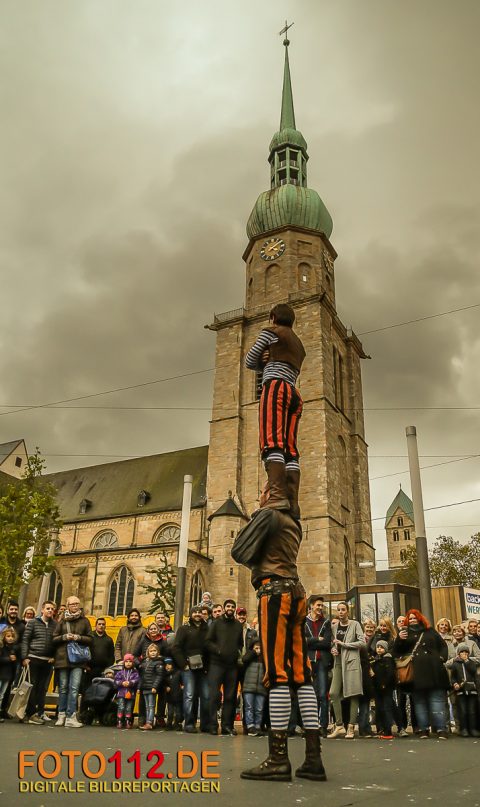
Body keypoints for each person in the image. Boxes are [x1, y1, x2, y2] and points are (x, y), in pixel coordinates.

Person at [240, 499, 326, 783]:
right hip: (297, 591)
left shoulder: (269, 515)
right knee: (301, 675)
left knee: (276, 672)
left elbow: (239, 550)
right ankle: (314, 759)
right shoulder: (294, 521)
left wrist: (255, 521)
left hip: (274, 591)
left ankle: (278, 758)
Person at [245, 303, 305, 517]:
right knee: (290, 448)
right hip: (294, 394)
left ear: (272, 317)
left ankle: (277, 496)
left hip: (275, 388)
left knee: (272, 443)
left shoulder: (270, 333)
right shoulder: (299, 345)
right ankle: (293, 503)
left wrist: (264, 363)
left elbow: (249, 360)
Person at [392, 608, 449, 739]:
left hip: (435, 672)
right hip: (416, 674)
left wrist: (441, 658)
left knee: (437, 701)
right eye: (410, 618)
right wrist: (399, 640)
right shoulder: (404, 633)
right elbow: (396, 653)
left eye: (414, 618)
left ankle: (441, 729)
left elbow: (443, 646)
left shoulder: (431, 631)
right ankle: (423, 729)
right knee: (420, 703)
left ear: (420, 618)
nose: (412, 620)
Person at [52, 595, 92, 728]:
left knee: (74, 689)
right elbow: (54, 639)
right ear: (67, 606)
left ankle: (71, 715)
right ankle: (61, 714)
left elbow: (90, 639)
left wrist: (78, 637)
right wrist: (64, 636)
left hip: (78, 660)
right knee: (63, 688)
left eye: (77, 604)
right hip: (63, 659)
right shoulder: (62, 622)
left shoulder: (85, 621)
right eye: (73, 604)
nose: (75, 606)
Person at [206, 599, 243, 736]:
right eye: (228, 606)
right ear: (224, 608)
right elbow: (208, 642)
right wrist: (218, 650)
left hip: (231, 666)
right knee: (214, 695)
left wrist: (235, 652)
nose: (230, 608)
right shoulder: (216, 624)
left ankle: (227, 726)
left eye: (232, 606)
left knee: (230, 697)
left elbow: (240, 644)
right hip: (216, 664)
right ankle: (213, 725)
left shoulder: (238, 625)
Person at [328, 602, 365, 739]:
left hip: (351, 661)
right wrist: (333, 648)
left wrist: (345, 645)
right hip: (338, 662)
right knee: (333, 692)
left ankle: (351, 726)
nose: (341, 612)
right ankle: (339, 725)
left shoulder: (354, 624)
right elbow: (333, 642)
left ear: (348, 611)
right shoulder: (334, 627)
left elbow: (362, 642)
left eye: (343, 609)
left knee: (353, 693)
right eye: (338, 610)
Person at [172, 605, 210, 733]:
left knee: (205, 696)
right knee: (189, 695)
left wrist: (208, 666)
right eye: (195, 612)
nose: (197, 614)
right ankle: (189, 723)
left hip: (204, 667)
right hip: (188, 667)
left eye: (200, 612)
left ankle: (205, 724)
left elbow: (210, 649)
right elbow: (176, 648)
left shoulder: (208, 629)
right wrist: (184, 664)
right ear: (190, 614)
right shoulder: (184, 629)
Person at [21, 601, 56, 725]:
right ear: (42, 610)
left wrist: (54, 656)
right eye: (48, 608)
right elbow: (25, 640)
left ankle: (39, 712)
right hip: (33, 658)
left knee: (42, 688)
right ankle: (30, 714)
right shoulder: (33, 623)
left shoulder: (55, 625)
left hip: (47, 660)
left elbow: (56, 642)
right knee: (32, 687)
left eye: (52, 609)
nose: (50, 610)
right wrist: (24, 657)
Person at [304, 596, 332, 737]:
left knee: (322, 694)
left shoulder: (326, 623)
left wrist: (311, 642)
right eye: (318, 605)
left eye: (322, 605)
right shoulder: (303, 622)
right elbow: (302, 641)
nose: (320, 608)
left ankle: (323, 726)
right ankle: (311, 726)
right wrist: (315, 639)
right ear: (311, 606)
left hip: (322, 662)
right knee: (310, 695)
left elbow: (327, 643)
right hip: (309, 662)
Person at [449, 643, 480, 737]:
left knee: (472, 711)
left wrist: (467, 661)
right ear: (458, 653)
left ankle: (473, 729)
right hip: (461, 691)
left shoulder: (471, 663)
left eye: (466, 652)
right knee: (462, 711)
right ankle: (464, 729)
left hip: (472, 690)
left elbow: (473, 671)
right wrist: (455, 684)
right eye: (462, 652)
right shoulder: (455, 664)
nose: (464, 653)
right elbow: (453, 676)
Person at [371, 640, 397, 739]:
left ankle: (387, 730)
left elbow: (390, 674)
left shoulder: (388, 659)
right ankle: (381, 728)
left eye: (381, 647)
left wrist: (384, 683)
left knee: (387, 708)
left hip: (386, 688)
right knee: (379, 708)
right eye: (378, 647)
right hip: (378, 688)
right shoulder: (376, 660)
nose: (379, 649)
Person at [242, 636, 267, 736]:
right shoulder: (249, 655)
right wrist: (253, 653)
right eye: (256, 647)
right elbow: (244, 659)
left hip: (261, 687)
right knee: (249, 707)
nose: (258, 649)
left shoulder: (265, 658)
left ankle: (257, 726)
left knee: (259, 708)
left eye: (260, 647)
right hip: (249, 686)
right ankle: (250, 726)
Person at [138, 644, 164, 731]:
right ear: (148, 652)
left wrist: (154, 686)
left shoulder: (159, 662)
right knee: (147, 706)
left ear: (158, 652)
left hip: (152, 688)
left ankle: (149, 722)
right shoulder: (145, 662)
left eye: (154, 651)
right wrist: (139, 687)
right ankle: (148, 722)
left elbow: (159, 676)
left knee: (151, 705)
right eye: (151, 651)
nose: (153, 653)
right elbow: (142, 676)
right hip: (145, 687)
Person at [86, 618, 115, 687]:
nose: (101, 626)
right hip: (90, 669)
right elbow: (84, 651)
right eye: (99, 624)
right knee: (88, 690)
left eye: (103, 624)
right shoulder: (89, 637)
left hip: (103, 671)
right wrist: (85, 665)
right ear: (96, 625)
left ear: (105, 626)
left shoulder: (109, 639)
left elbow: (111, 655)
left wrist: (108, 668)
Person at [114, 654, 139, 729]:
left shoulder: (135, 673)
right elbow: (116, 681)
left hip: (131, 693)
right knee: (121, 707)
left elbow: (137, 680)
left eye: (130, 661)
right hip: (121, 693)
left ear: (132, 663)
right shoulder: (120, 672)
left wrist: (130, 683)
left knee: (129, 708)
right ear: (124, 663)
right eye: (126, 661)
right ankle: (119, 721)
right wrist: (122, 683)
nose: (128, 663)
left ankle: (128, 721)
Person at [0, 627, 18, 722]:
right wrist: (8, 659)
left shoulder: (13, 648)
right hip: (1, 673)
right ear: (4, 637)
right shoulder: (1, 647)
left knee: (2, 695)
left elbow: (15, 664)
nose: (10, 638)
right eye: (8, 636)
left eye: (12, 636)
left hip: (7, 675)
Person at [163, 657, 183, 731]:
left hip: (178, 696)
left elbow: (182, 682)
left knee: (178, 713)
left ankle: (177, 724)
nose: (167, 666)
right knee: (170, 712)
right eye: (166, 665)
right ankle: (169, 724)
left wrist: (182, 686)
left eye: (169, 664)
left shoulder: (178, 673)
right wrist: (166, 688)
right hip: (169, 697)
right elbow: (163, 684)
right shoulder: (165, 675)